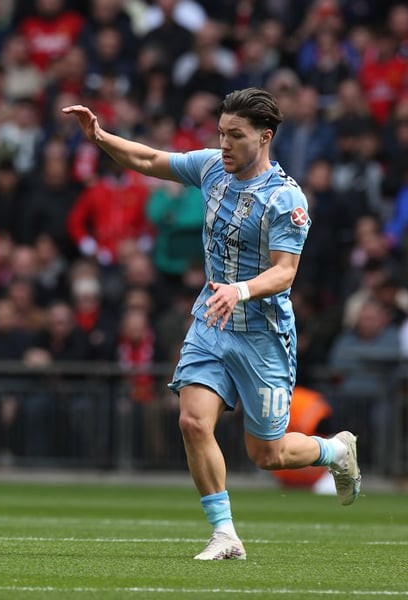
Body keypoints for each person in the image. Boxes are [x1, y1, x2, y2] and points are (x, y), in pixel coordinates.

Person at [63, 87, 361, 561]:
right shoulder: (210, 168)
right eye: (220, 132)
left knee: (269, 456)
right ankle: (225, 534)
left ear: (264, 138)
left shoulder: (286, 199)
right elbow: (148, 159)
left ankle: (336, 452)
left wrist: (239, 288)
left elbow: (286, 271)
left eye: (235, 136)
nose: (223, 144)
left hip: (263, 335)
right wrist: (100, 136)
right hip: (211, 321)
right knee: (191, 421)